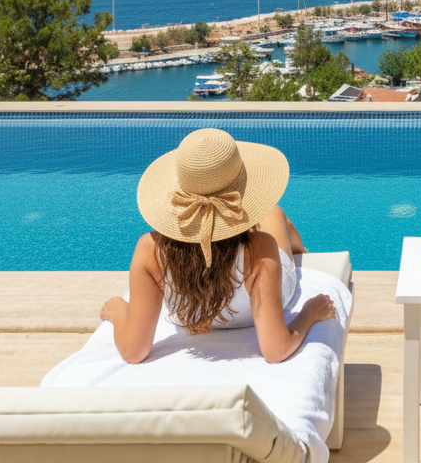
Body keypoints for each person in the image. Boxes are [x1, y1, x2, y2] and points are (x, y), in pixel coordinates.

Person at [101, 128, 336, 364]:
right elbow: (276, 350)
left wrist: (121, 311)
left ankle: (297, 248)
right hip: (256, 302)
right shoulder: (261, 248)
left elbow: (133, 352)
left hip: (189, 317)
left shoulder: (149, 249)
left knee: (271, 218)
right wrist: (309, 313)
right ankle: (300, 251)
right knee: (273, 213)